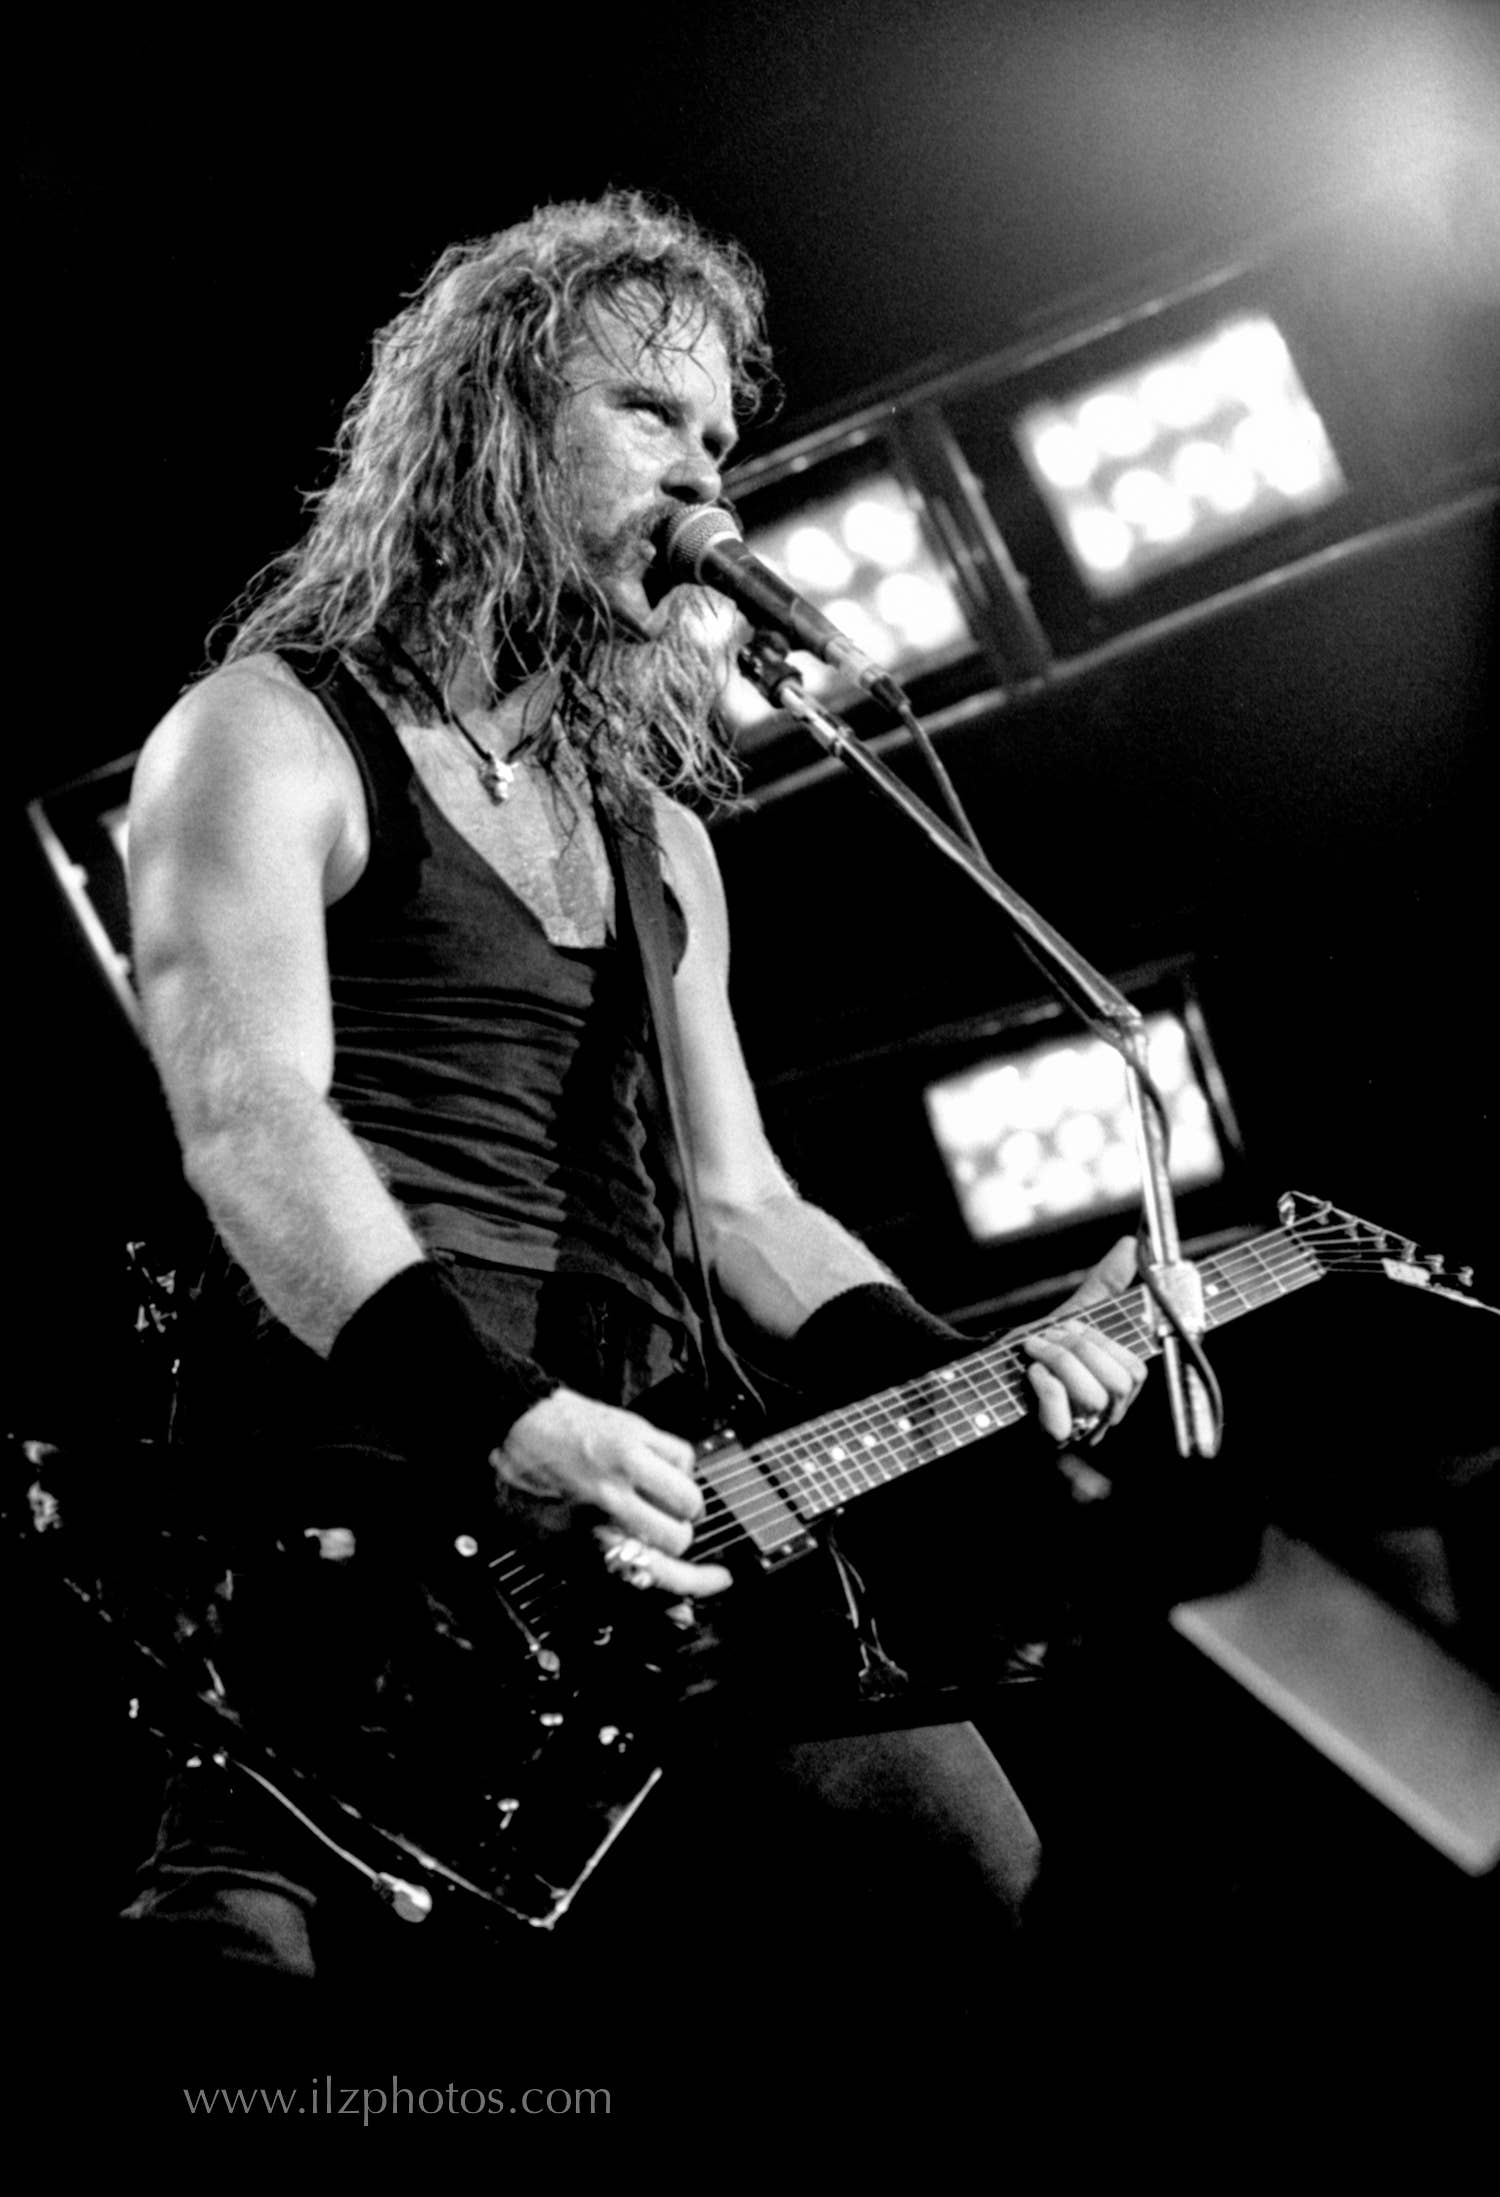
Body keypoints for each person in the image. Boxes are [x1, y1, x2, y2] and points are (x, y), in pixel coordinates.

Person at [119, 191, 1145, 2100]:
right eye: (648, 413)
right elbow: (250, 1120)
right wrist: (497, 1416)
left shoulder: (659, 838)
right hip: (375, 1521)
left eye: (723, 439)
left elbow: (743, 1200)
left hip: (661, 1524)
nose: (704, 478)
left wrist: (978, 1371)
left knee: (991, 1906)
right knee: (257, 2022)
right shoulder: (268, 736)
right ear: (495, 424)